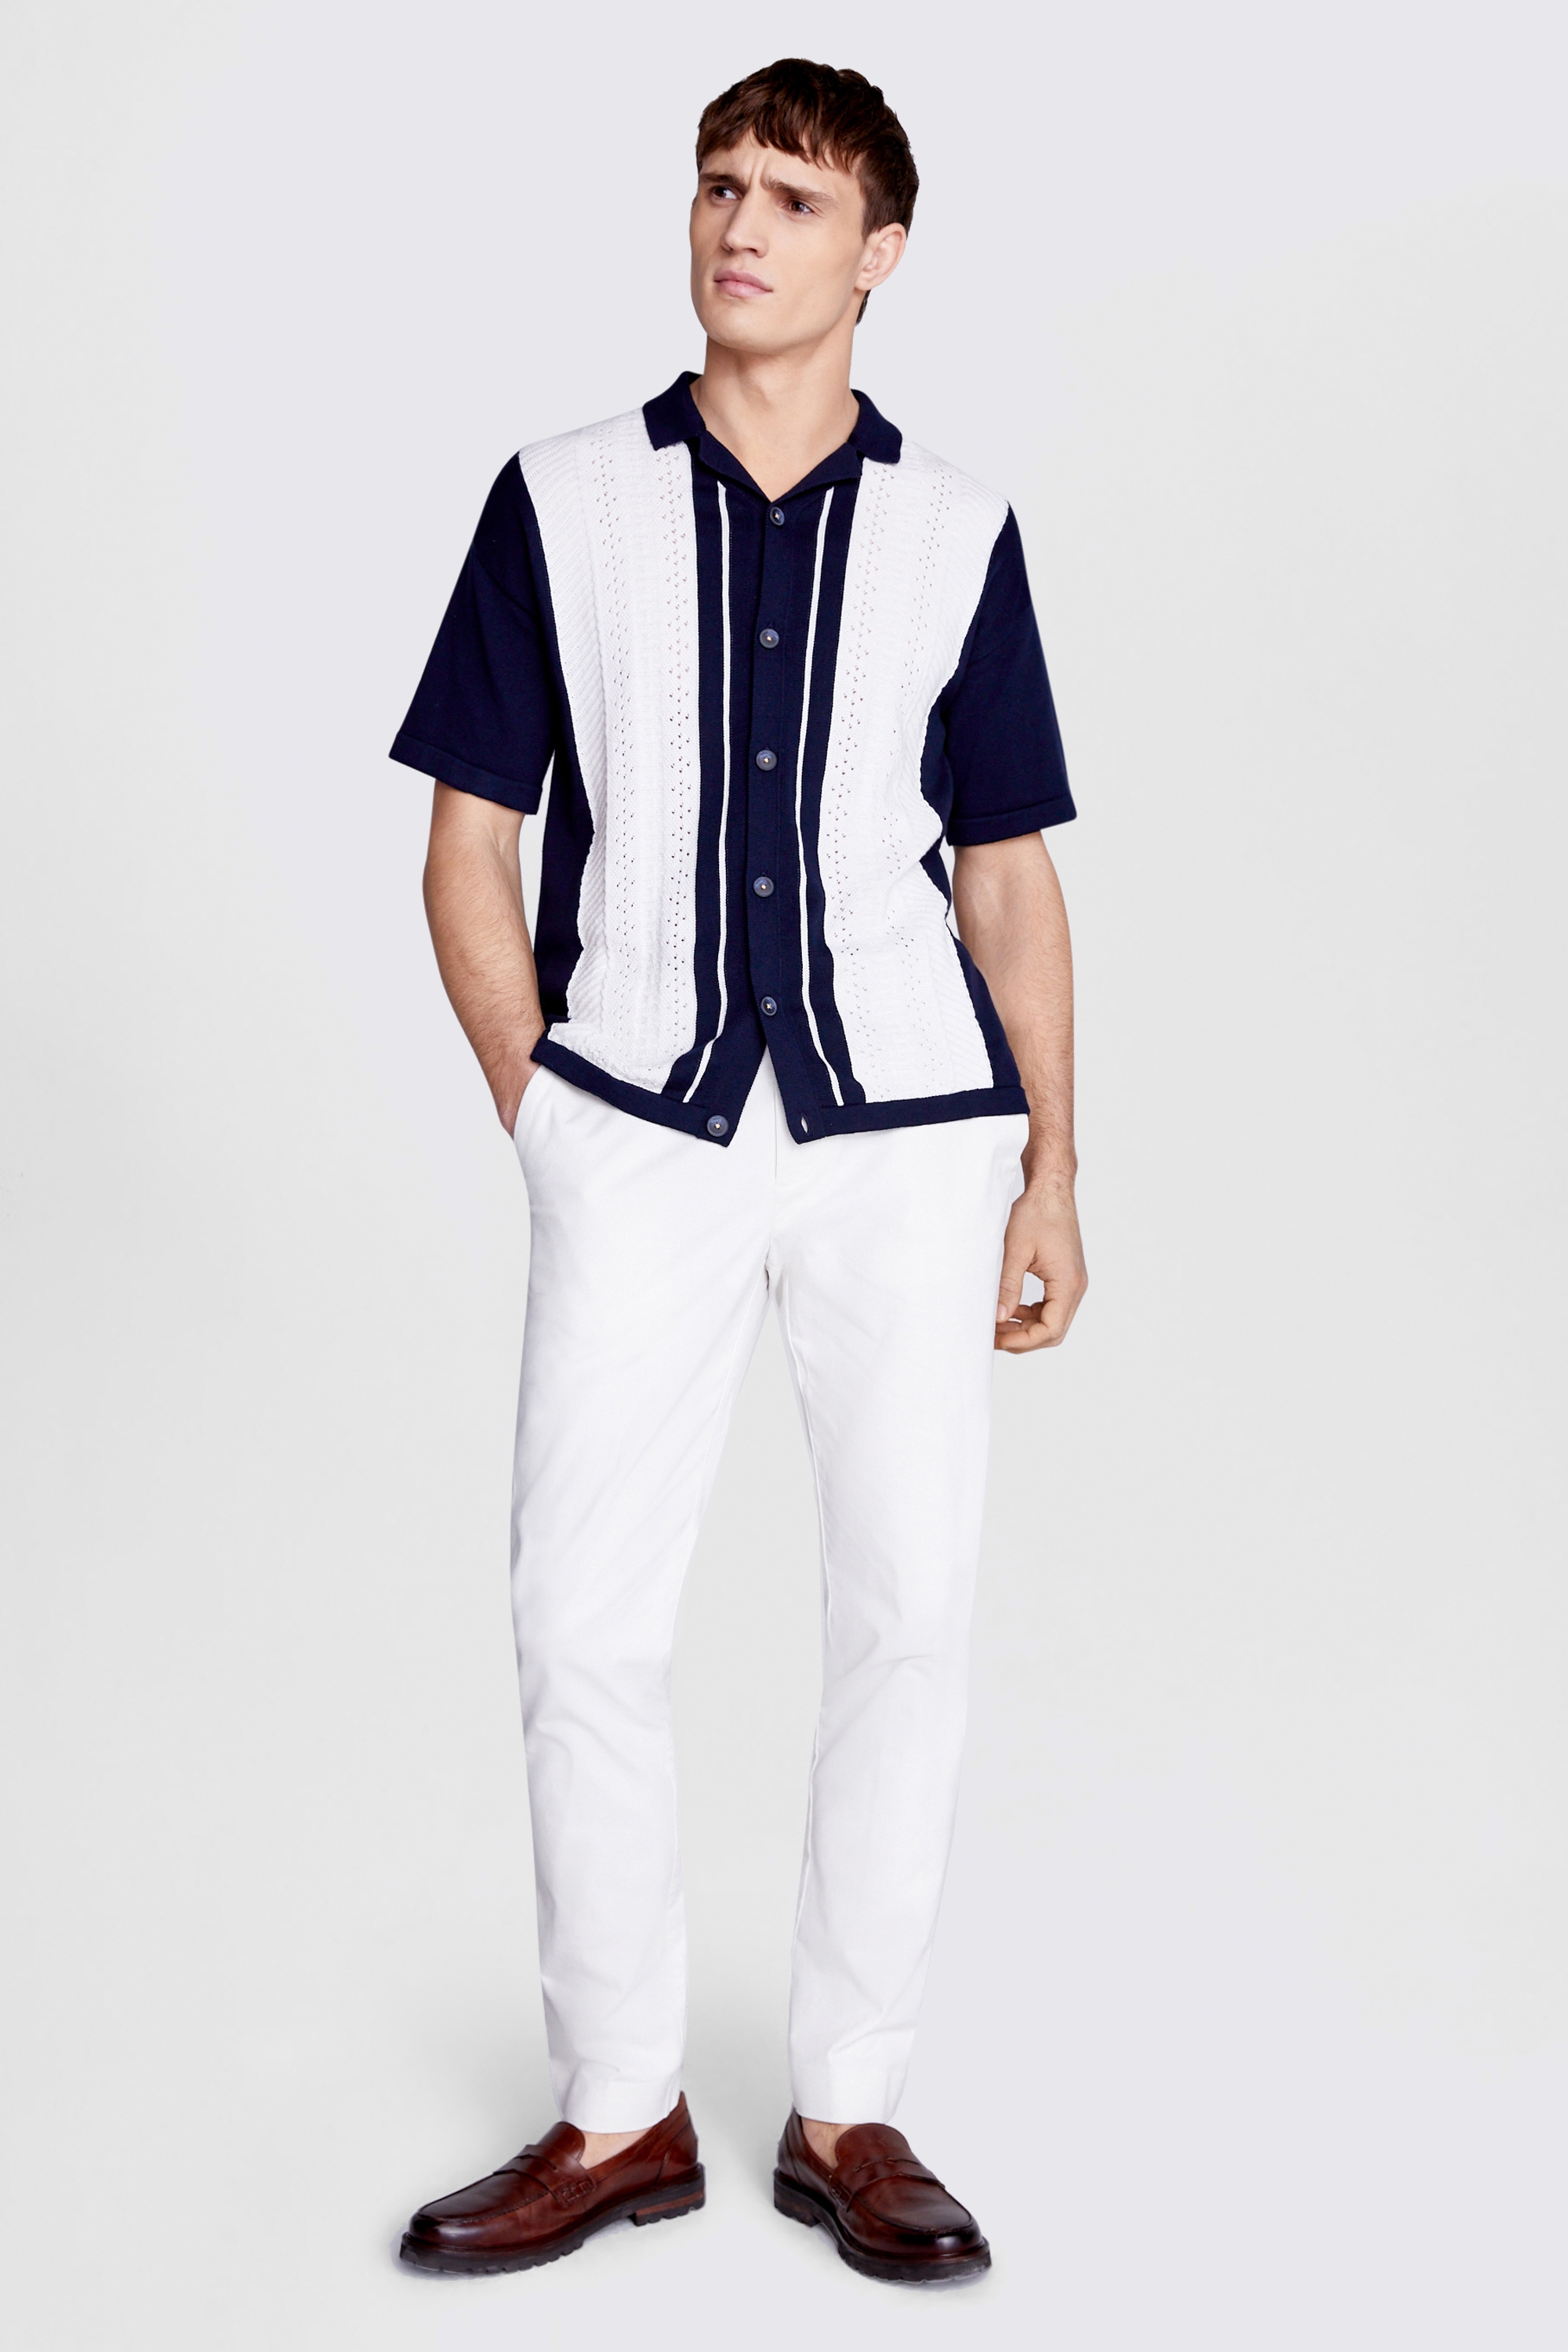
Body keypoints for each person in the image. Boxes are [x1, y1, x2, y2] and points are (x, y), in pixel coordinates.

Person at [389, 57, 1086, 2288]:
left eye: (792, 195)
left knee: (912, 1606)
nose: (741, 225)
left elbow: (1008, 873)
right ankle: (620, 2109)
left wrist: (1053, 1169)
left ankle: (850, 2103)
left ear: (883, 252)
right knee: (580, 1615)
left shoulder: (959, 531)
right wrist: (546, 1104)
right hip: (646, 1127)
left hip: (905, 1139)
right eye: (718, 184)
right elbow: (469, 838)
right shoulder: (562, 500)